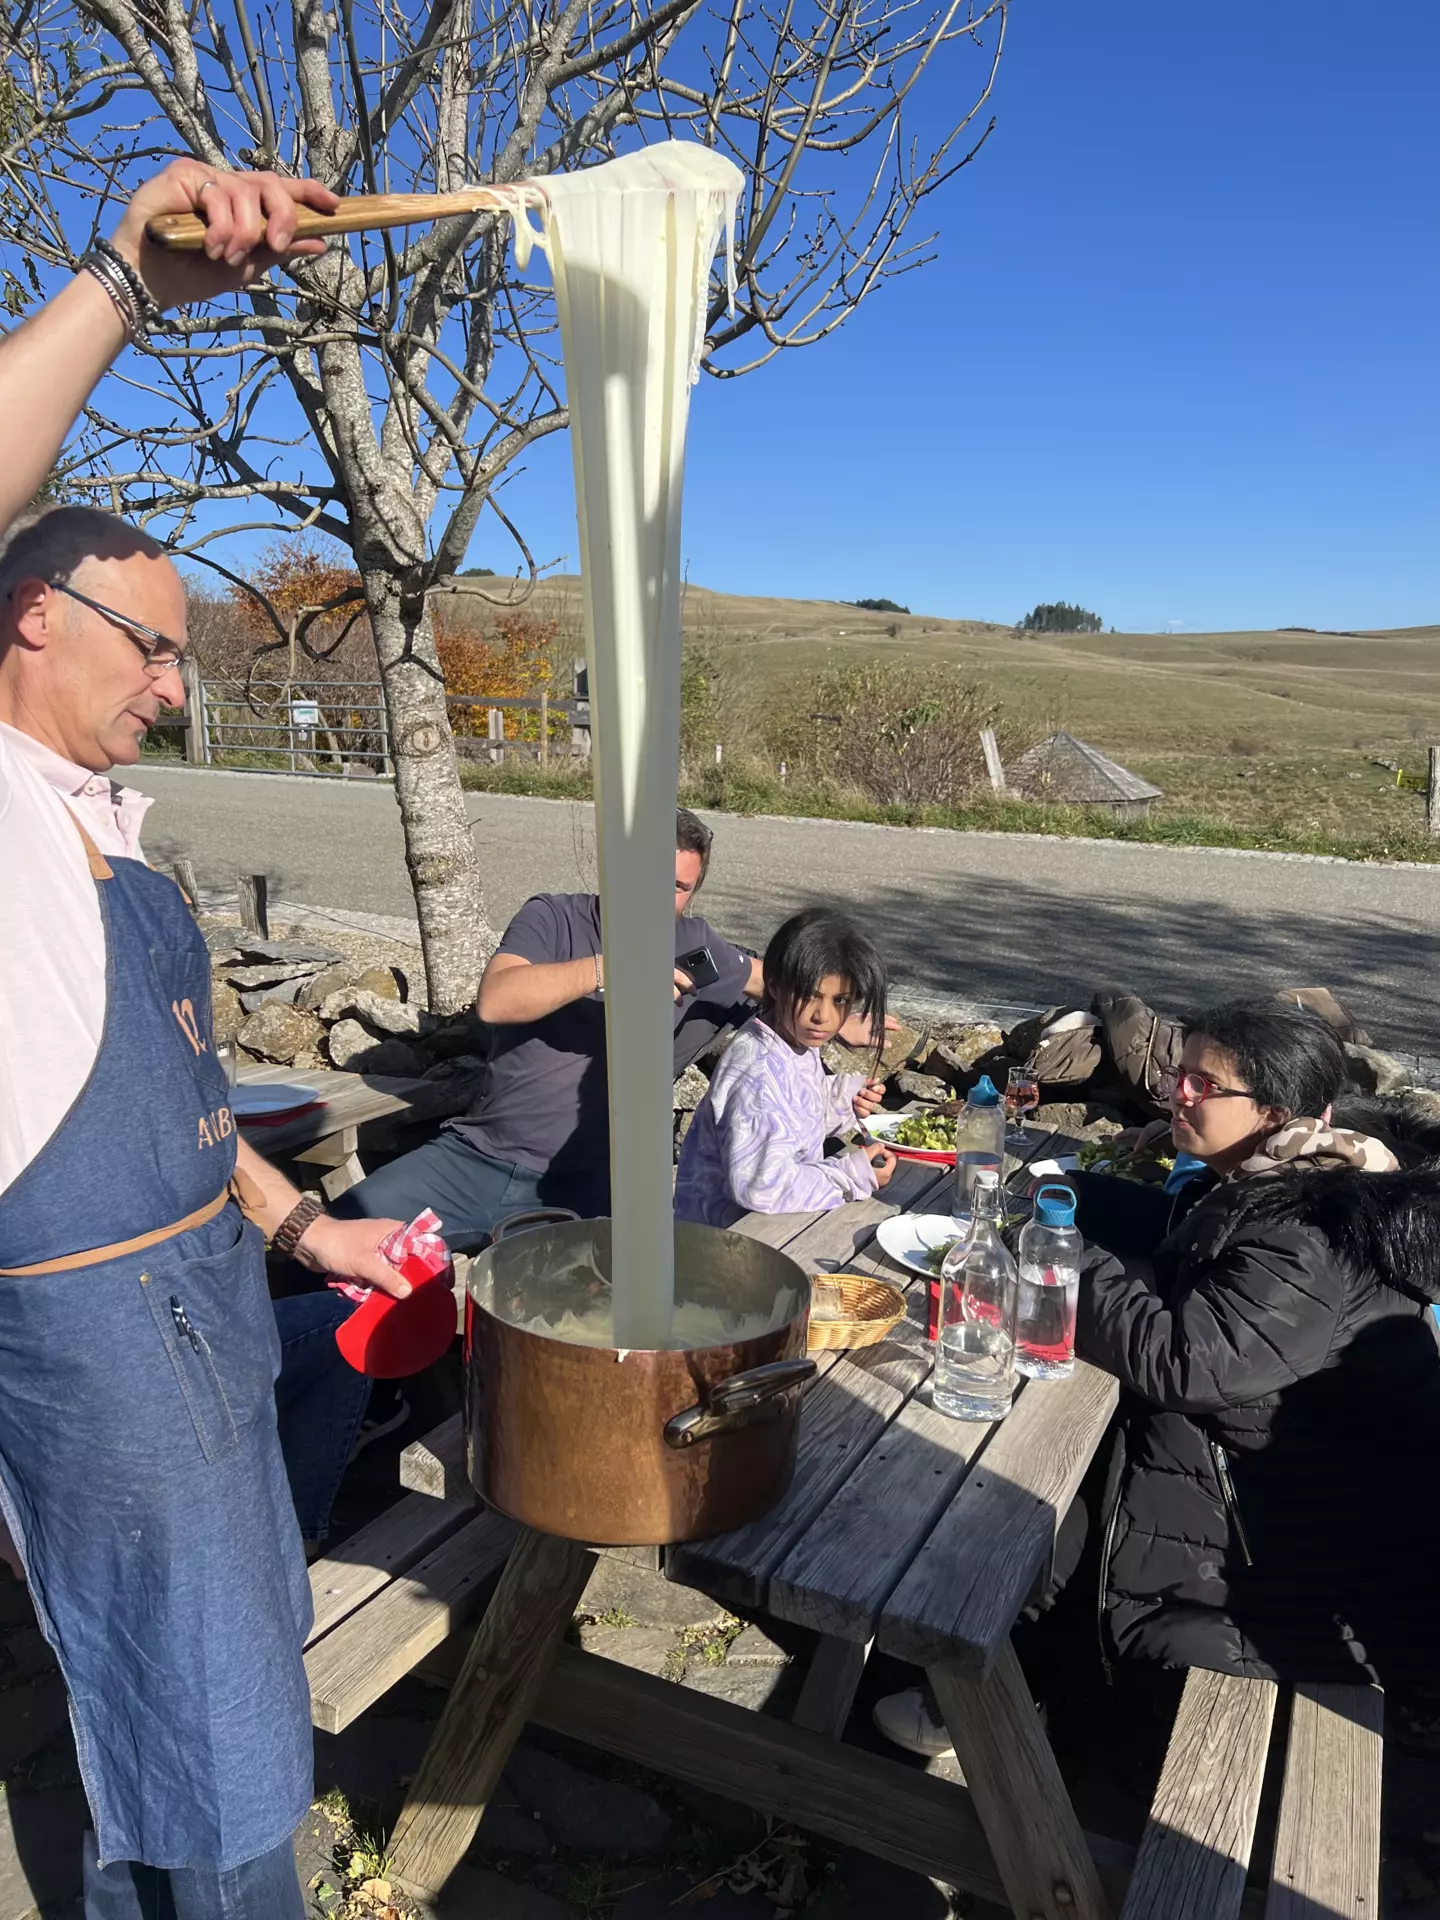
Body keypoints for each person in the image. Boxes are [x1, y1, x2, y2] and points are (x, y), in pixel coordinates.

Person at [0, 163, 413, 1920]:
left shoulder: (103, 822)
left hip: (202, 1303)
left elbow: (172, 1099)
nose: (178, 683)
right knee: (201, 1720)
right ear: (30, 613)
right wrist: (122, 279)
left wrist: (305, 1227)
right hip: (92, 1337)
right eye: (154, 647)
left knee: (222, 1699)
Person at [872, 1000, 1440, 1757]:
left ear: (1273, 1110)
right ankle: (992, 1667)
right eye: (1182, 1075)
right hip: (1261, 1490)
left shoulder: (1310, 1237)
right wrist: (1069, 1203)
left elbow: (1181, 1362)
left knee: (1049, 1475)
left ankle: (1006, 1697)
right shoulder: (1290, 1178)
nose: (1179, 1094)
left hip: (1278, 1557)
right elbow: (1193, 1241)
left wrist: (1059, 1253)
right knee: (1060, 1471)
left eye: (1206, 1086)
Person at [333, 811, 887, 1245]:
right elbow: (497, 1001)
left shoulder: (698, 947)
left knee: (600, 1328)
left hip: (596, 1185)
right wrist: (612, 967)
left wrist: (847, 1018)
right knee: (326, 1238)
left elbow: (783, 980)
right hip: (478, 1159)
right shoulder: (554, 918)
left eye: (677, 886)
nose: (659, 896)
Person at [674, 907, 894, 1226]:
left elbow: (791, 1119)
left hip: (764, 1231)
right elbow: (760, 1188)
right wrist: (851, 1175)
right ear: (775, 986)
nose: (824, 1016)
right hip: (723, 1246)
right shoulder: (758, 1074)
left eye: (841, 1000)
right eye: (809, 996)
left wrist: (843, 1100)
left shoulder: (791, 1040)